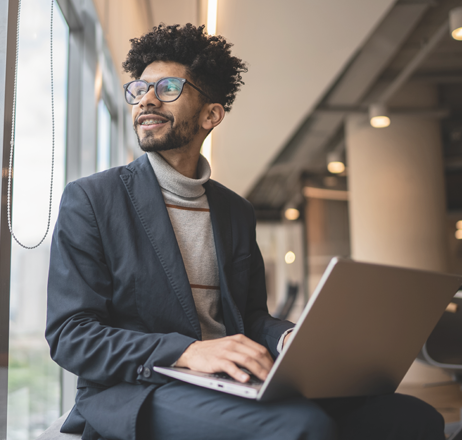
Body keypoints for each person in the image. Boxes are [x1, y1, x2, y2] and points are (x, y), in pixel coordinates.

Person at [46, 23, 444, 440]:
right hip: (140, 390)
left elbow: (249, 316)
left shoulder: (235, 211)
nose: (146, 99)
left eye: (166, 88)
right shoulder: (92, 199)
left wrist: (290, 338)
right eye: (139, 89)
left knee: (413, 418)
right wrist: (187, 351)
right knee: (301, 427)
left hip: (229, 379)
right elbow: (72, 335)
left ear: (211, 114)